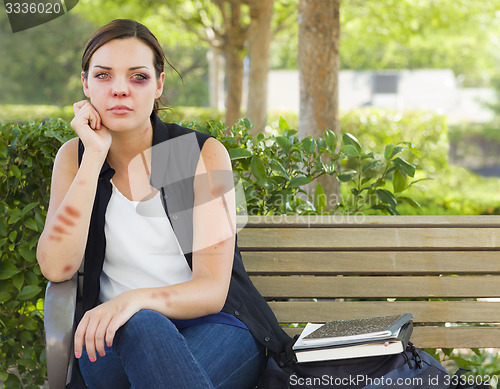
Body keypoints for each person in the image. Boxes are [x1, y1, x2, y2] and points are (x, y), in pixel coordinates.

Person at [36, 19, 290, 389]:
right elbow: (57, 266)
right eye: (104, 76)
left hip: (215, 328)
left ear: (158, 85)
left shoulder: (191, 156)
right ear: (86, 84)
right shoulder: (75, 158)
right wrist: (93, 158)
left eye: (138, 77)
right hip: (111, 339)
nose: (120, 90)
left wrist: (134, 302)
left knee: (145, 323)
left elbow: (211, 289)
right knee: (142, 328)